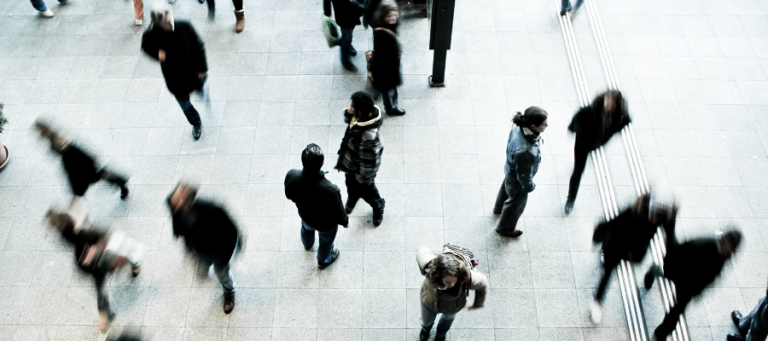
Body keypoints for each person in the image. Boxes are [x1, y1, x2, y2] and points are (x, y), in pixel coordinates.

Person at [46, 200, 142, 332]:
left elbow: (103, 236)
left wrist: (94, 251)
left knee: (122, 254)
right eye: (56, 227)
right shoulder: (69, 236)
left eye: (57, 226)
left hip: (98, 252)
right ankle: (105, 314)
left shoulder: (84, 231)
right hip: (94, 263)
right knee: (100, 288)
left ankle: (134, 263)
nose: (57, 229)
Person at [589, 191, 677, 324]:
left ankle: (652, 272)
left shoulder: (665, 217)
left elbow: (670, 239)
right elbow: (613, 225)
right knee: (608, 272)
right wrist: (600, 237)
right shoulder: (633, 212)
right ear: (650, 208)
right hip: (617, 245)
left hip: (635, 252)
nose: (655, 218)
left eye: (658, 215)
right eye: (654, 213)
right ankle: (597, 302)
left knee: (625, 263)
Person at [646, 230, 742, 340]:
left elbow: (711, 276)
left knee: (676, 312)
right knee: (674, 304)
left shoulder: (724, 256)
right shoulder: (703, 245)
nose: (729, 251)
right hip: (681, 274)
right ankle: (655, 271)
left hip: (689, 288)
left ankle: (660, 334)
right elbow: (681, 251)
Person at [167, 182, 241, 313]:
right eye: (175, 198)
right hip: (198, 248)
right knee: (203, 269)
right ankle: (208, 267)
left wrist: (227, 254)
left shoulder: (212, 209)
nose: (175, 202)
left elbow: (231, 229)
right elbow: (176, 220)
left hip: (218, 250)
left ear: (192, 200)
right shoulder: (172, 202)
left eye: (180, 200)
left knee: (222, 273)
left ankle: (229, 292)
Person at [141, 3, 208, 140]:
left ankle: (201, 90)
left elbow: (199, 45)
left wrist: (202, 68)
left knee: (199, 87)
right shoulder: (152, 35)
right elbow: (145, 46)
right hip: (174, 78)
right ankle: (196, 122)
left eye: (170, 18)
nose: (171, 23)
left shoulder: (184, 26)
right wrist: (158, 54)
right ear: (158, 23)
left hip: (192, 72)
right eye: (166, 22)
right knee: (184, 104)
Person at [564, 90, 631, 215]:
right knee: (578, 171)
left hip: (596, 143)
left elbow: (622, 123)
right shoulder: (589, 111)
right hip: (582, 145)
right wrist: (574, 129)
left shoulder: (617, 116)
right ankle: (571, 199)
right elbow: (575, 122)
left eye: (612, 104)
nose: (609, 105)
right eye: (608, 101)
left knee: (578, 169)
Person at [285, 144, 349, 269]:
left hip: (305, 215)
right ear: (322, 163)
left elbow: (289, 194)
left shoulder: (292, 176)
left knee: (306, 229)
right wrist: (345, 221)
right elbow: (338, 211)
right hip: (325, 225)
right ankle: (323, 260)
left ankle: (307, 244)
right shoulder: (330, 190)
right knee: (326, 243)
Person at [34, 120, 130, 200]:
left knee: (88, 181)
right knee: (93, 178)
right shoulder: (54, 137)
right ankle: (120, 182)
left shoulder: (56, 140)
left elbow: (66, 150)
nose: (41, 136)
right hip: (75, 160)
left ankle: (120, 182)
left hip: (74, 161)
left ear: (44, 132)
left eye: (41, 133)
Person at [493, 107, 548, 238]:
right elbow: (523, 176)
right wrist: (529, 186)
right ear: (534, 126)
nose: (547, 125)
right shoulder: (525, 151)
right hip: (518, 180)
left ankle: (498, 208)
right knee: (515, 204)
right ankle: (505, 229)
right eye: (544, 124)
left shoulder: (518, 125)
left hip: (510, 169)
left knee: (506, 189)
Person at [416, 246, 488, 341]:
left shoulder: (467, 276)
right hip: (429, 299)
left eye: (455, 281)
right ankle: (425, 331)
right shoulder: (430, 266)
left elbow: (483, 282)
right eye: (448, 282)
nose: (452, 284)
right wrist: (426, 266)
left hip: (453, 305)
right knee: (426, 320)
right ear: (439, 275)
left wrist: (477, 303)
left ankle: (441, 335)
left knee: (447, 320)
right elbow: (422, 251)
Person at [335, 91, 386, 226]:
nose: (350, 108)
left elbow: (370, 162)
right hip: (351, 164)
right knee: (350, 185)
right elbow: (350, 121)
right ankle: (353, 198)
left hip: (362, 173)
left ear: (361, 112)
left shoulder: (369, 135)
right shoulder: (360, 117)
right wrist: (349, 113)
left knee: (368, 192)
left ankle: (378, 206)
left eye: (353, 107)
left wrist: (362, 179)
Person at [369, 1, 405, 116]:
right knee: (385, 89)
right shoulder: (381, 34)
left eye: (395, 15)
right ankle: (390, 108)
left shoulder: (392, 25)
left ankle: (381, 105)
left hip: (390, 65)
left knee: (382, 89)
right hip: (385, 68)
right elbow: (381, 56)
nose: (393, 18)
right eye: (389, 16)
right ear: (383, 16)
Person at [324, 0, 364, 71]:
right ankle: (345, 61)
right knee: (347, 35)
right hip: (343, 13)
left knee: (350, 30)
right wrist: (327, 14)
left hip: (354, 9)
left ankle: (347, 44)